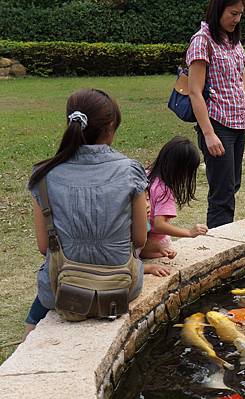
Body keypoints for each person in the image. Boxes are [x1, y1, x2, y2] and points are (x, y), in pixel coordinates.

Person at [25, 88, 150, 336]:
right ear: (111, 126)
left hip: (61, 288)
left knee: (39, 304)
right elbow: (140, 239)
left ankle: (26, 341)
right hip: (122, 287)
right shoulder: (130, 171)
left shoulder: (43, 175)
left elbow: (43, 247)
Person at [186, 0, 245, 228]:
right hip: (218, 124)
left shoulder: (231, 40)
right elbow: (194, 91)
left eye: (240, 14)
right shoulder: (202, 41)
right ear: (218, 10)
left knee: (232, 185)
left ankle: (223, 236)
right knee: (222, 193)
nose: (237, 19)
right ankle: (219, 243)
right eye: (233, 13)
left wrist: (239, 95)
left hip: (238, 123)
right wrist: (209, 133)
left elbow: (242, 71)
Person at [139, 136, 208, 260]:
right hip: (149, 243)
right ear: (181, 170)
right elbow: (159, 225)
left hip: (135, 238)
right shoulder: (164, 191)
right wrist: (189, 233)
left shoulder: (145, 174)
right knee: (167, 245)